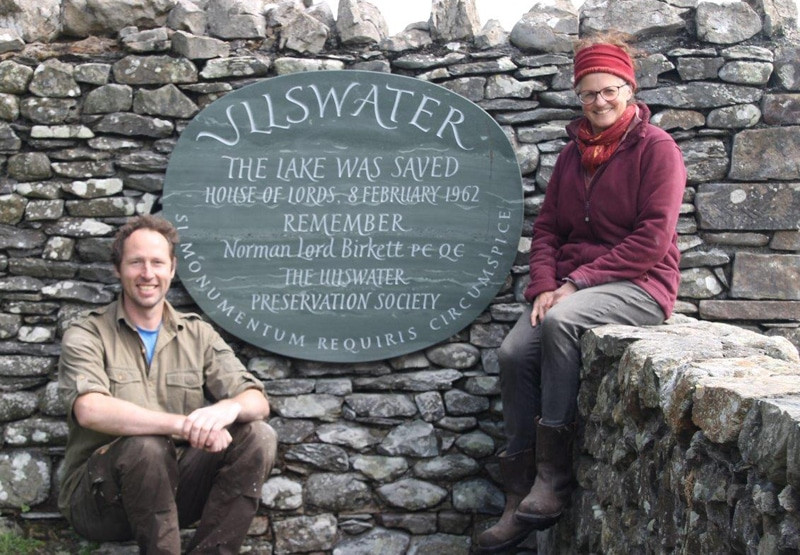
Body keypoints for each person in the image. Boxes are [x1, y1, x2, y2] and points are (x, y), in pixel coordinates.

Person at [476, 32, 686, 552]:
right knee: (511, 353)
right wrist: (545, 285)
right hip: (572, 286)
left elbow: (652, 239)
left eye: (610, 90)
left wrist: (574, 285)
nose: (599, 101)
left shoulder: (657, 149)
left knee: (561, 322)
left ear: (629, 90)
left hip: (639, 284)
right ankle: (518, 492)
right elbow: (548, 229)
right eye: (589, 93)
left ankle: (553, 477)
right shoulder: (573, 156)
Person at [57, 215, 278, 554]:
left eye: (157, 262)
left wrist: (228, 408)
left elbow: (257, 399)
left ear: (172, 269)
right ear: (118, 269)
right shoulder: (87, 333)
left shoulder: (196, 333)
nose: (148, 273)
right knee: (146, 445)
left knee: (258, 435)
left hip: (176, 492)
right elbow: (89, 409)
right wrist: (183, 425)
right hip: (100, 501)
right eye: (136, 263)